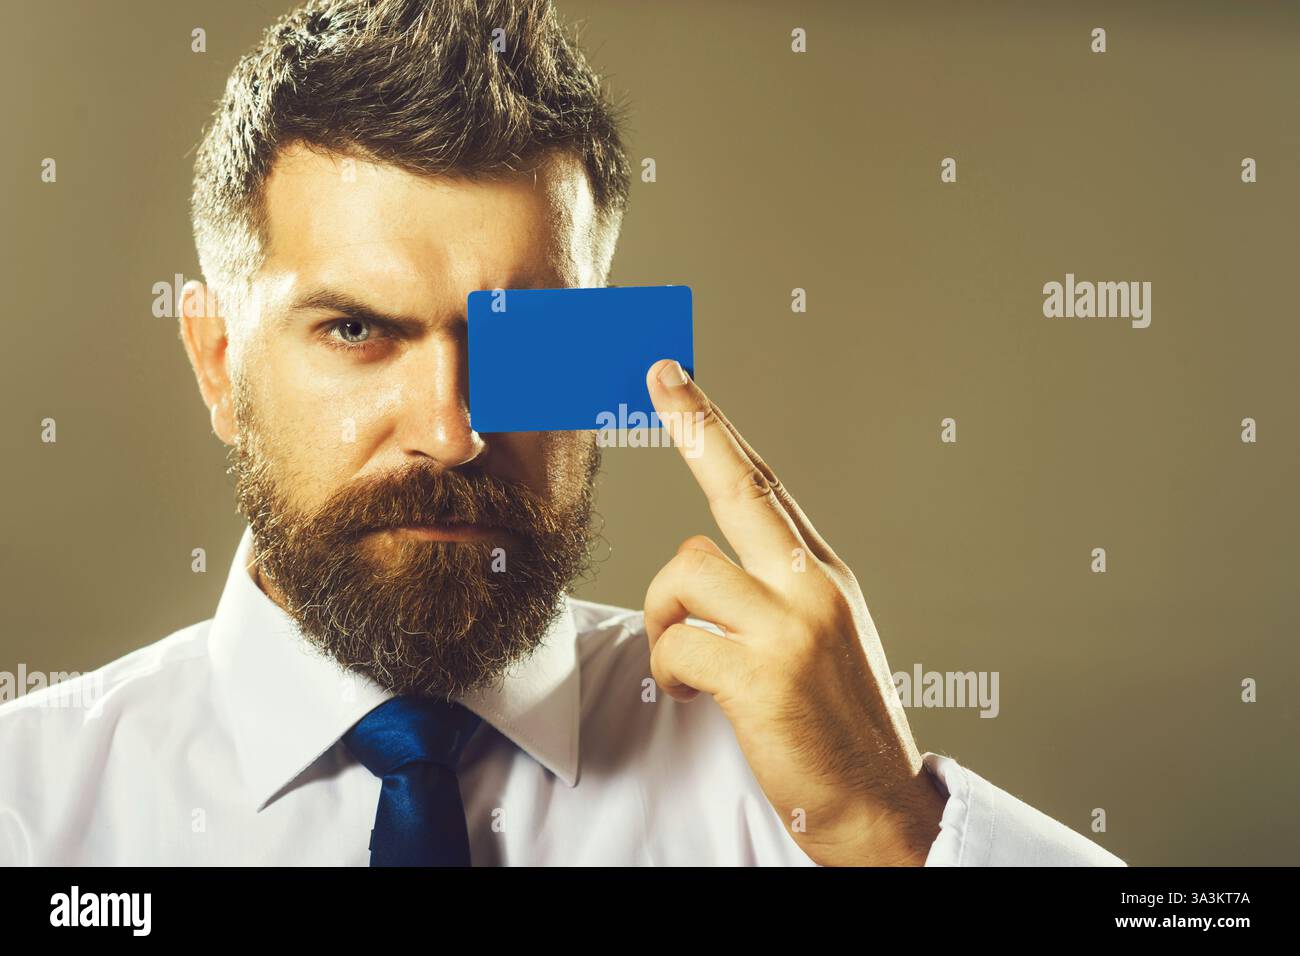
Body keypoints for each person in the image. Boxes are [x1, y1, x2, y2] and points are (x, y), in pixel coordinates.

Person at [0, 0, 1122, 867]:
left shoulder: (789, 778)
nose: (450, 430)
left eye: (525, 341)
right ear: (215, 362)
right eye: (356, 329)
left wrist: (893, 824)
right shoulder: (32, 801)